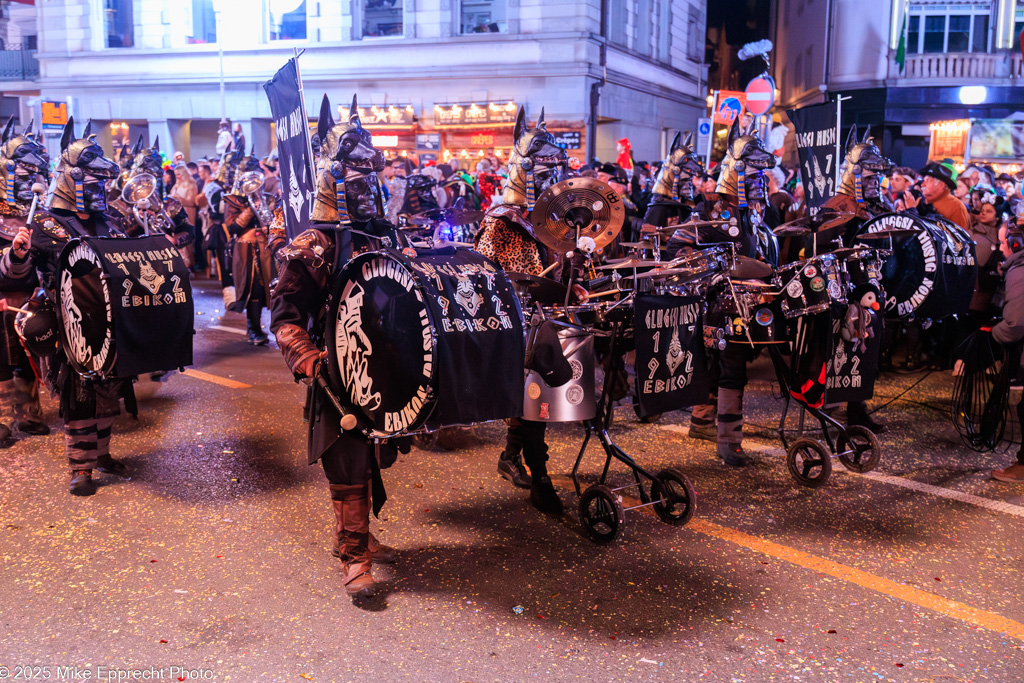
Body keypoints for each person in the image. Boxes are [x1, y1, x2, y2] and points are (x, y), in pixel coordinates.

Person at [270, 95, 404, 597]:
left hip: (387, 366)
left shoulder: (386, 236)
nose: (365, 180)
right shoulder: (312, 247)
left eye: (371, 171)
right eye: (354, 170)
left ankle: (356, 534)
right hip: (336, 371)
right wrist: (308, 360)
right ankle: (354, 554)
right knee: (347, 457)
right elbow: (284, 317)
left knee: (376, 454)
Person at [5, 118, 134, 496]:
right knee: (79, 393)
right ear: (73, 180)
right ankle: (81, 467)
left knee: (110, 388)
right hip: (70, 320)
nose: (100, 185)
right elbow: (20, 272)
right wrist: (18, 254)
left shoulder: (106, 221)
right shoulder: (44, 223)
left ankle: (103, 453)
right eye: (93, 178)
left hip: (109, 320)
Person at [474, 107, 570, 512]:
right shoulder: (500, 222)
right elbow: (481, 278)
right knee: (533, 399)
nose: (552, 182)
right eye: (544, 173)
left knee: (537, 398)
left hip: (545, 318)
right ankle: (539, 474)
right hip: (515, 324)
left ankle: (511, 456)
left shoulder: (553, 221)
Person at [0, 118, 50, 445]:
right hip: (0, 300)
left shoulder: (41, 213)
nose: (29, 178)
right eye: (22, 171)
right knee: (1, 361)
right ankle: (4, 419)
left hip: (29, 298)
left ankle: (29, 413)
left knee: (29, 357)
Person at [223, 151, 271, 346]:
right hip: (246, 249)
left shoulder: (266, 196)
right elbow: (232, 227)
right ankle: (254, 328)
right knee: (253, 289)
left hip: (266, 247)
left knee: (270, 287)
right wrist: (251, 209)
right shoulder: (232, 200)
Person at [990, 223, 1024, 483]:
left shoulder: (1019, 270)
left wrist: (994, 334)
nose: (999, 247)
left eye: (1002, 242)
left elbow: (1015, 323)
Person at [905, 162, 971, 231]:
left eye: (927, 180)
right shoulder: (921, 201)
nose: (922, 185)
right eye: (923, 180)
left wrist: (911, 210)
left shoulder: (956, 207)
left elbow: (959, 238)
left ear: (941, 185)